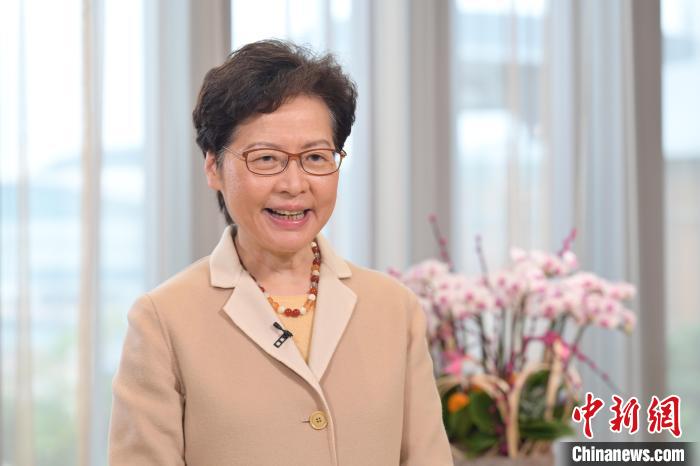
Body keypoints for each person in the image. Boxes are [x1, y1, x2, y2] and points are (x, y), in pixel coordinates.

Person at [108, 39, 453, 466]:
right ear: (213, 167)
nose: (293, 184)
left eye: (316, 157)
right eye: (267, 159)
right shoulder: (163, 320)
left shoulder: (394, 309)